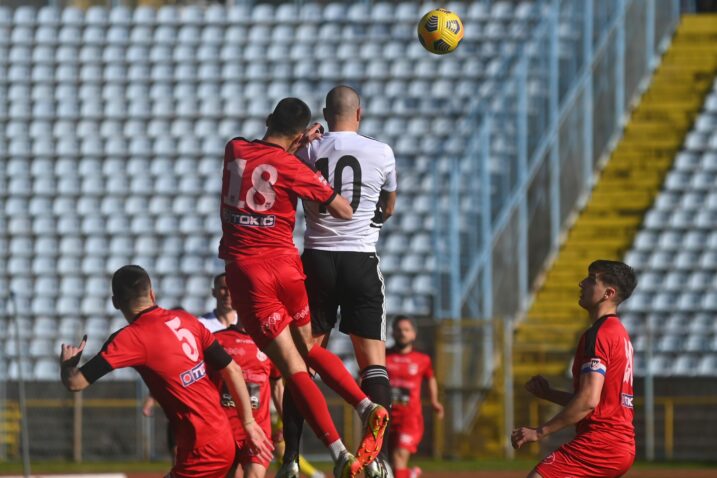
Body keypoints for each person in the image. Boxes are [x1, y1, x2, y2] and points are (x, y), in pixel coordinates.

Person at [219, 97, 389, 478]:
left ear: (268, 120)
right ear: (300, 135)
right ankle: (367, 406)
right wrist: (310, 173)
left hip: (250, 272)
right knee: (308, 349)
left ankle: (339, 453)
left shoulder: (235, 148)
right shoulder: (293, 167)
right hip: (288, 266)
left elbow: (262, 155)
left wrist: (297, 144)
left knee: (293, 364)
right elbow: (344, 209)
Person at [281, 85, 398, 478]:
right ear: (359, 113)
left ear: (325, 114)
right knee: (374, 366)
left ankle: (291, 461)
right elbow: (389, 204)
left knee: (303, 363)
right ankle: (378, 462)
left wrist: (303, 139)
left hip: (316, 260)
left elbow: (280, 171)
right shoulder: (381, 152)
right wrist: (376, 217)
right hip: (361, 258)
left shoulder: (308, 150)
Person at [59, 265, 274, 478]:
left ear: (116, 302)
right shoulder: (187, 319)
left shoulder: (130, 338)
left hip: (203, 448)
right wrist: (249, 423)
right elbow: (233, 369)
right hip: (222, 435)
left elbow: (75, 382)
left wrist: (68, 365)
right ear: (152, 293)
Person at [511, 260, 637, 478]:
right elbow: (599, 403)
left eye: (591, 279)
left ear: (608, 293)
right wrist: (549, 393)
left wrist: (538, 432)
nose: (582, 284)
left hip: (601, 444)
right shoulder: (618, 333)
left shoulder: (600, 335)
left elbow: (588, 401)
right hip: (621, 445)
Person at [211, 323, 283, 478]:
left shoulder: (270, 343)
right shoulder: (217, 339)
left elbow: (277, 386)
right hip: (224, 430)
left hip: (259, 430)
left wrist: (287, 423)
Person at [386, 316, 444, 478]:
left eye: (406, 330)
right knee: (391, 466)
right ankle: (410, 474)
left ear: (413, 334)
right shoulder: (383, 356)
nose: (402, 333)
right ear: (393, 333)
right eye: (398, 330)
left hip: (409, 419)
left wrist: (434, 401)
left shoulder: (422, 360)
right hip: (386, 417)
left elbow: (431, 378)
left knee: (399, 457)